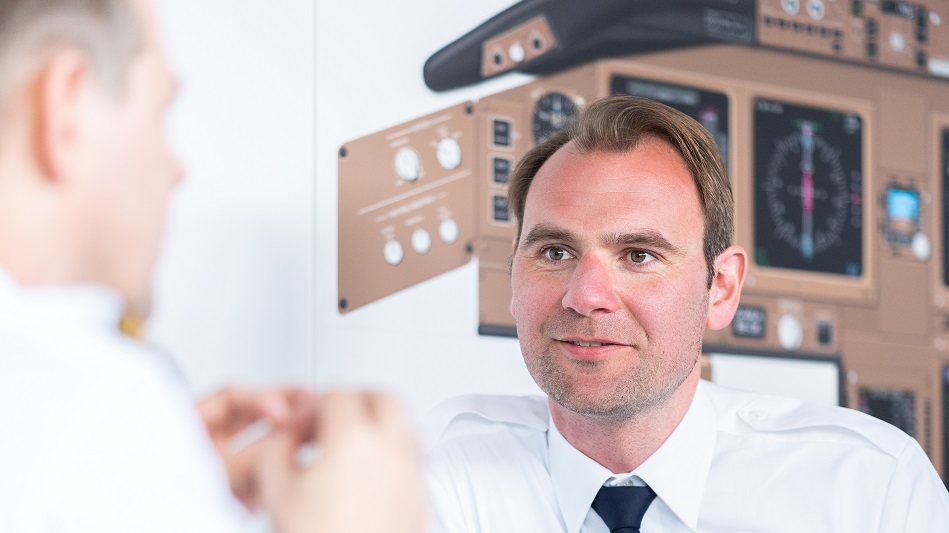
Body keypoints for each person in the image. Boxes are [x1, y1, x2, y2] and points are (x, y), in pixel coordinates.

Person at [423, 96, 949, 532]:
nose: (585, 297)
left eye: (639, 256)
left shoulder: (872, 492)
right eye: (555, 253)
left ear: (720, 288)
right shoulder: (435, 480)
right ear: (513, 274)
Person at [0, 1, 425, 532]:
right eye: (159, 111)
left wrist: (155, 480)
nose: (175, 169)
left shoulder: (65, 424)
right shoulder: (94, 397)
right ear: (67, 107)